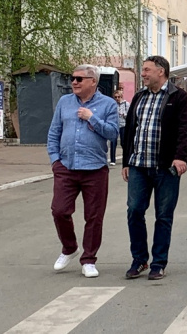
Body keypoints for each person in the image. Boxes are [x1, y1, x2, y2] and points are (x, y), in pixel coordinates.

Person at [121, 56, 187, 280]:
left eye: (146, 70)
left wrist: (180, 157)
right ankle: (139, 259)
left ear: (160, 72)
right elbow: (130, 130)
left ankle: (158, 263)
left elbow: (184, 129)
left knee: (163, 216)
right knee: (134, 211)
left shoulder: (177, 96)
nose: (143, 74)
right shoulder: (139, 97)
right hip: (139, 166)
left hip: (165, 168)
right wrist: (126, 161)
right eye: (143, 70)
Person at [47, 64, 119, 278]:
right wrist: (55, 161)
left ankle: (88, 259)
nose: (74, 82)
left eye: (79, 79)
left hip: (95, 168)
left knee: (94, 216)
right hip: (66, 167)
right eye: (73, 78)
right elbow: (54, 133)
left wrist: (92, 118)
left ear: (93, 82)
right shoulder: (64, 102)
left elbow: (114, 133)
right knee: (59, 210)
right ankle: (69, 248)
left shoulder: (108, 104)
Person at [110, 90, 130, 166]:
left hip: (123, 125)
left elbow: (130, 115)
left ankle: (126, 158)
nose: (117, 98)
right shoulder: (113, 104)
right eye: (115, 97)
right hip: (115, 125)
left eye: (119, 97)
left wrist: (124, 114)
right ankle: (112, 160)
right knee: (113, 142)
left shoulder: (126, 104)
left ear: (121, 97)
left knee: (123, 143)